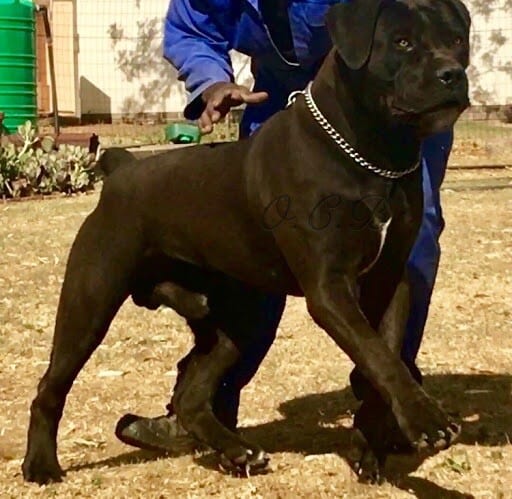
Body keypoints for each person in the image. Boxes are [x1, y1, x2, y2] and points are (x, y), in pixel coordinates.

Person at [115, 0, 453, 451]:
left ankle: (391, 405)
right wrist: (212, 80)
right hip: (282, 100)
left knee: (416, 230)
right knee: (251, 240)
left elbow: (426, 22)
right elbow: (191, 28)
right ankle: (204, 406)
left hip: (396, 96)